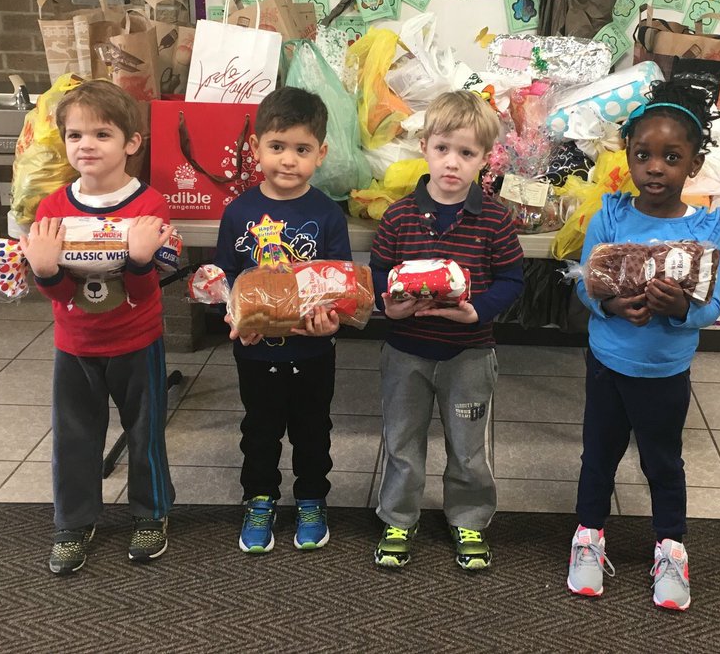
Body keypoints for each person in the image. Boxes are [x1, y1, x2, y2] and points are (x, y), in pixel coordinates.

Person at [565, 76, 720, 611]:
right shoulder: (610, 215)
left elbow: (711, 307)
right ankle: (588, 538)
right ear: (628, 159)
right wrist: (612, 305)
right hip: (609, 362)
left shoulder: (705, 229)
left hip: (664, 371)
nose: (655, 167)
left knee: (662, 461)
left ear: (693, 166)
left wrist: (678, 308)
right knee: (599, 456)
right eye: (643, 155)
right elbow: (589, 284)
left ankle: (670, 547)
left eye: (671, 157)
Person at [19, 79, 176, 576]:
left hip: (137, 340)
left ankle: (150, 513)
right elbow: (64, 298)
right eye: (74, 135)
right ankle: (74, 521)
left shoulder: (148, 206)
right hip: (76, 343)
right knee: (75, 435)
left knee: (145, 433)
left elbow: (145, 292)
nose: (85, 145)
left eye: (102, 134)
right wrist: (45, 271)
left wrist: (137, 260)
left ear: (132, 143)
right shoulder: (52, 209)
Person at [368, 90, 524, 570]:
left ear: (485, 158)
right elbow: (378, 274)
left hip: (469, 354)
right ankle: (398, 516)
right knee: (401, 442)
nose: (452, 163)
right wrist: (387, 307)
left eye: (467, 153)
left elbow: (512, 279)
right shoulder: (398, 215)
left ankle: (470, 519)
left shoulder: (495, 219)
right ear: (425, 147)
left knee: (468, 446)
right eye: (443, 149)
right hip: (405, 352)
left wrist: (479, 310)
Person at [214, 86, 350, 554]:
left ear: (321, 154)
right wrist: (234, 316)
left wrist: (332, 320)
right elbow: (224, 278)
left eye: (301, 149)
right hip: (255, 351)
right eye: (277, 147)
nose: (288, 160)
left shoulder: (328, 215)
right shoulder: (239, 213)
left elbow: (339, 282)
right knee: (259, 429)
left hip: (313, 351)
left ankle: (312, 498)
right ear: (255, 149)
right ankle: (259, 499)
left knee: (314, 429)